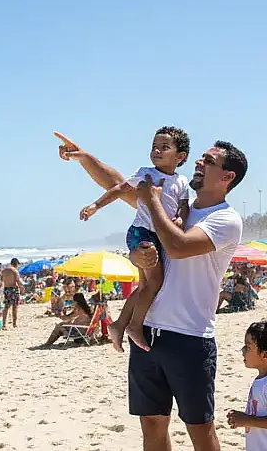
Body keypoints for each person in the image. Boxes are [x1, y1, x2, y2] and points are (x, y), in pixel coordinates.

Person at [56, 132, 246, 451]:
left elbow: (177, 244)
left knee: (200, 429)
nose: (200, 160)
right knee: (153, 427)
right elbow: (117, 183)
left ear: (227, 177)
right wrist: (84, 157)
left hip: (190, 336)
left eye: (209, 161)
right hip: (148, 332)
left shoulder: (225, 219)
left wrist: (153, 202)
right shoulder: (173, 201)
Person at [78, 126, 191, 352]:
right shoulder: (145, 173)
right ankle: (135, 325)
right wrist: (95, 206)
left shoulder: (182, 181)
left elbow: (184, 206)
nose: (157, 151)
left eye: (164, 148)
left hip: (159, 235)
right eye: (154, 147)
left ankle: (118, 325)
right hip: (141, 232)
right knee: (155, 282)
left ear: (180, 157)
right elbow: (119, 188)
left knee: (145, 285)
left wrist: (180, 219)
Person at [226, 321, 267, 451]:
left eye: (248, 347)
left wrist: (246, 420)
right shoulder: (263, 380)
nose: (243, 351)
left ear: (265, 355)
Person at [0, 258, 25, 329]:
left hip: (6, 289)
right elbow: (18, 281)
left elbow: (1, 282)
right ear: (16, 263)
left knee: (6, 307)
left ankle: (4, 325)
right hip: (13, 289)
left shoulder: (3, 271)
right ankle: (14, 324)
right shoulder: (14, 271)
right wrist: (22, 289)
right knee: (15, 307)